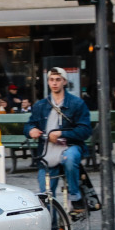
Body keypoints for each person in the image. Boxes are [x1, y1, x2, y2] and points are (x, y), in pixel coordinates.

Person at [25, 67, 93, 212]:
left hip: (70, 146)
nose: (54, 83)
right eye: (51, 80)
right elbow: (29, 124)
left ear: (64, 82)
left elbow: (85, 130)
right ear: (48, 82)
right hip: (47, 151)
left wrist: (61, 133)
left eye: (58, 80)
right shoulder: (40, 105)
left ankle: (75, 197)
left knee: (70, 158)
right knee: (46, 196)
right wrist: (31, 130)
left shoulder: (77, 103)